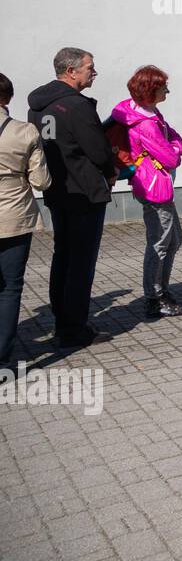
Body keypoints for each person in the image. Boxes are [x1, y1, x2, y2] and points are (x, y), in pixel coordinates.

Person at [28, 47, 117, 343]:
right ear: (71, 71)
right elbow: (97, 148)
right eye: (90, 67)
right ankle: (73, 328)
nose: (94, 72)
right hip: (83, 190)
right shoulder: (77, 105)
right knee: (81, 261)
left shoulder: (37, 106)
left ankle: (62, 317)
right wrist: (110, 169)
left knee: (63, 255)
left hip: (57, 187)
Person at [110, 66, 182, 318]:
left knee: (173, 238)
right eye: (163, 87)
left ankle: (160, 290)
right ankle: (155, 297)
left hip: (158, 183)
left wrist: (174, 145)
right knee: (160, 242)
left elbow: (174, 137)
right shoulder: (144, 122)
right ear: (150, 90)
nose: (168, 90)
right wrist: (175, 150)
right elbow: (169, 156)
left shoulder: (148, 113)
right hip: (153, 186)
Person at [0, 72, 51, 366]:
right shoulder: (25, 131)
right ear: (8, 98)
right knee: (9, 286)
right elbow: (41, 181)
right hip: (14, 216)